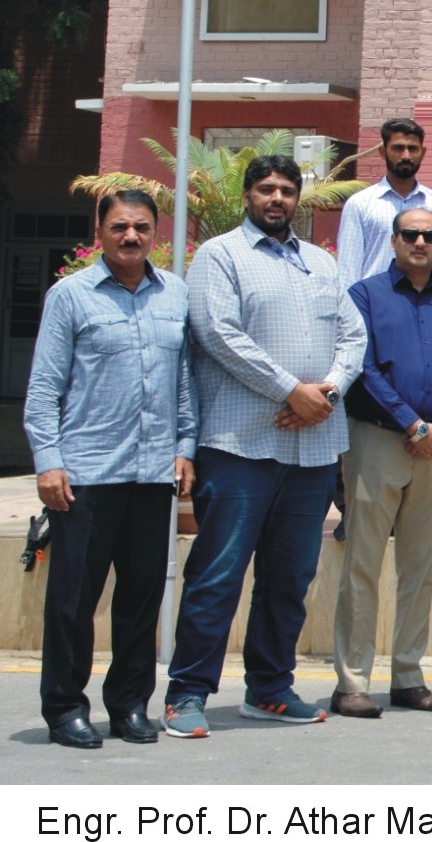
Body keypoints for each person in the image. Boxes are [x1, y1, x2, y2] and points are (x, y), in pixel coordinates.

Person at [164, 155, 366, 736]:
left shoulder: (319, 264)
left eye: (286, 189)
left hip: (313, 449)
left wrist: (326, 390)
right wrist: (289, 390)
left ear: (298, 198)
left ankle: (270, 690)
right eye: (265, 188)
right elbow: (218, 334)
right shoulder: (219, 256)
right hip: (240, 447)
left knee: (290, 578)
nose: (276, 198)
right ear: (250, 195)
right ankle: (187, 693)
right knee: (218, 575)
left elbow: (354, 334)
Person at [29, 191, 195, 749]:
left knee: (140, 600)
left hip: (152, 475)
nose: (131, 236)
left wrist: (185, 445)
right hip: (86, 474)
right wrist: (49, 462)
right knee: (74, 600)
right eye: (120, 226)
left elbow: (184, 383)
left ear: (155, 232)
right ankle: (65, 709)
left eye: (142, 227)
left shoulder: (175, 293)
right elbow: (43, 389)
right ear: (100, 230)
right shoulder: (69, 296)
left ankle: (128, 707)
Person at [332, 207, 432, 718]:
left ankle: (408, 676)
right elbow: (363, 367)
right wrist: (409, 424)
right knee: (363, 566)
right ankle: (352, 680)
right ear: (394, 240)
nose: (420, 242)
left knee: (420, 567)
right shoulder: (365, 295)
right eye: (410, 234)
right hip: (377, 441)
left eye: (429, 235)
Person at [336, 118, 432, 290]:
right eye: (398, 148)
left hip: (428, 305)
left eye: (412, 149)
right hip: (375, 306)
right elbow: (347, 272)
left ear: (422, 153)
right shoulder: (360, 204)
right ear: (382, 152)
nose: (406, 156)